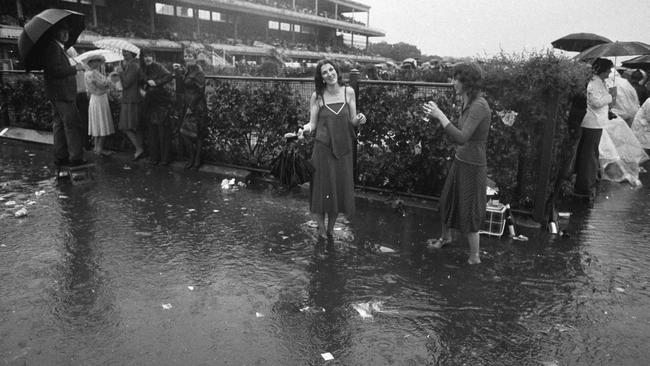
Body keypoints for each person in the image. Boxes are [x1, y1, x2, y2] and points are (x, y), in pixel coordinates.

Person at [421, 62, 491, 265]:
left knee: (469, 211)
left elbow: (462, 137)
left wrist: (440, 115)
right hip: (461, 160)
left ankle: (474, 257)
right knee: (447, 201)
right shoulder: (467, 101)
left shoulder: (479, 105)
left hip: (473, 165)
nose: (452, 83)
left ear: (466, 82)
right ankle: (446, 237)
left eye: (456, 79)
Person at [298, 59, 366, 238]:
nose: (329, 74)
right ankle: (321, 229)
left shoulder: (348, 92)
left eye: (331, 70)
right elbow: (312, 124)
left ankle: (330, 229)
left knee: (337, 190)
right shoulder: (317, 96)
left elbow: (352, 120)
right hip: (323, 149)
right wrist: (303, 129)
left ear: (336, 70)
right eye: (324, 72)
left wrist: (359, 119)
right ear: (321, 77)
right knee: (321, 191)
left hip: (343, 150)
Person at [42, 21, 87, 167]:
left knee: (60, 125)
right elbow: (55, 71)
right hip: (62, 94)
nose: (66, 34)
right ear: (56, 33)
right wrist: (75, 68)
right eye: (63, 31)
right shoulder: (54, 48)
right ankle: (75, 158)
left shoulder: (57, 48)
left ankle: (61, 157)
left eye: (67, 31)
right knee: (71, 124)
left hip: (58, 94)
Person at [573, 58, 615, 199]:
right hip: (592, 124)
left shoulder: (599, 82)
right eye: (609, 70)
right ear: (602, 69)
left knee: (591, 154)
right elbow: (596, 102)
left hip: (596, 123)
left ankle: (587, 184)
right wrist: (610, 97)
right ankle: (584, 187)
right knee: (589, 156)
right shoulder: (594, 82)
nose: (610, 73)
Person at [140, 49, 174, 165]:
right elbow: (140, 82)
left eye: (149, 56)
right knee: (152, 133)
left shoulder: (158, 66)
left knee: (163, 132)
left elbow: (169, 76)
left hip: (160, 102)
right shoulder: (142, 68)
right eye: (145, 56)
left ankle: (165, 159)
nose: (147, 58)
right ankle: (154, 157)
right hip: (149, 102)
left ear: (153, 57)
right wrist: (142, 90)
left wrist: (156, 82)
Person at [175, 48, 207, 170]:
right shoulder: (187, 70)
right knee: (185, 132)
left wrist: (191, 107)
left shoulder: (198, 72)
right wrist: (179, 73)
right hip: (187, 105)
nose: (187, 58)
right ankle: (192, 157)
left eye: (190, 56)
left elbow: (200, 91)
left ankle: (197, 159)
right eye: (186, 56)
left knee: (197, 134)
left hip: (197, 106)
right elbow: (181, 88)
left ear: (195, 58)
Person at [83, 54, 114, 156]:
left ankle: (97, 148)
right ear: (91, 63)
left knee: (97, 123)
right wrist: (109, 80)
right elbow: (102, 85)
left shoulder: (89, 73)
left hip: (96, 99)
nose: (97, 63)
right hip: (99, 99)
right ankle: (99, 148)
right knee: (101, 123)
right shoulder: (92, 73)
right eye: (95, 61)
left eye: (98, 61)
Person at [118, 49, 145, 161]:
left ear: (133, 53)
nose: (124, 54)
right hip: (132, 98)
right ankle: (140, 149)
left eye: (126, 52)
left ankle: (139, 149)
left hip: (131, 99)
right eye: (123, 52)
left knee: (126, 126)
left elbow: (126, 83)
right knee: (135, 126)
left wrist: (120, 71)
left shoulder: (133, 65)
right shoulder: (132, 64)